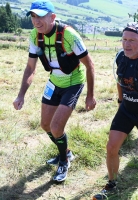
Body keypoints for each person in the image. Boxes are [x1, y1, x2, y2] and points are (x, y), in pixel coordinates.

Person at [12, 0, 96, 182]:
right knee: (45, 125)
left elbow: (89, 65)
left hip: (74, 81)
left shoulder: (69, 34)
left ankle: (64, 162)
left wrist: (90, 96)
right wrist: (21, 95)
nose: (36, 21)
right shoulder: (35, 35)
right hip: (54, 82)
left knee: (56, 127)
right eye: (33, 16)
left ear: (53, 17)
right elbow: (30, 68)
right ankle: (65, 152)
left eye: (40, 16)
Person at [93, 22, 138, 199]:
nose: (127, 44)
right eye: (124, 39)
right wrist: (120, 101)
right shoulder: (121, 57)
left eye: (132, 40)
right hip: (126, 109)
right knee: (111, 147)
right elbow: (120, 81)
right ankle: (112, 184)